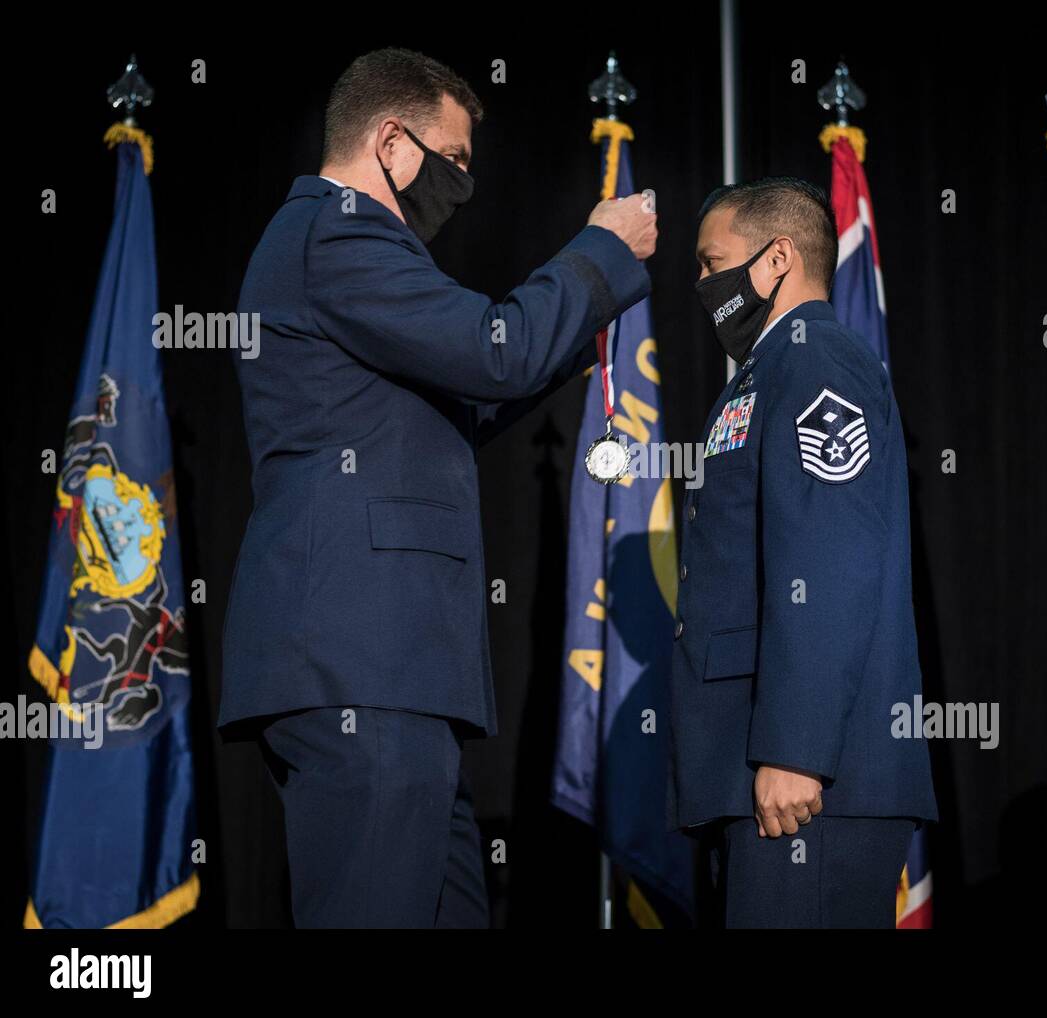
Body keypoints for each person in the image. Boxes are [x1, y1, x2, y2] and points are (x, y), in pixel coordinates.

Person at [218, 47, 656, 927]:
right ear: (389, 139)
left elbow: (467, 388)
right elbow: (494, 347)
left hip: (395, 674)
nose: (462, 185)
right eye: (451, 159)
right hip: (358, 663)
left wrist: (566, 342)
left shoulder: (349, 248)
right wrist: (600, 256)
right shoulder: (336, 232)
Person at [669, 177, 938, 928]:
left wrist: (794, 749)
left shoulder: (818, 360)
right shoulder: (766, 370)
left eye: (711, 261)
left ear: (778, 255)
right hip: (759, 771)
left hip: (810, 780)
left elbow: (829, 564)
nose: (702, 283)